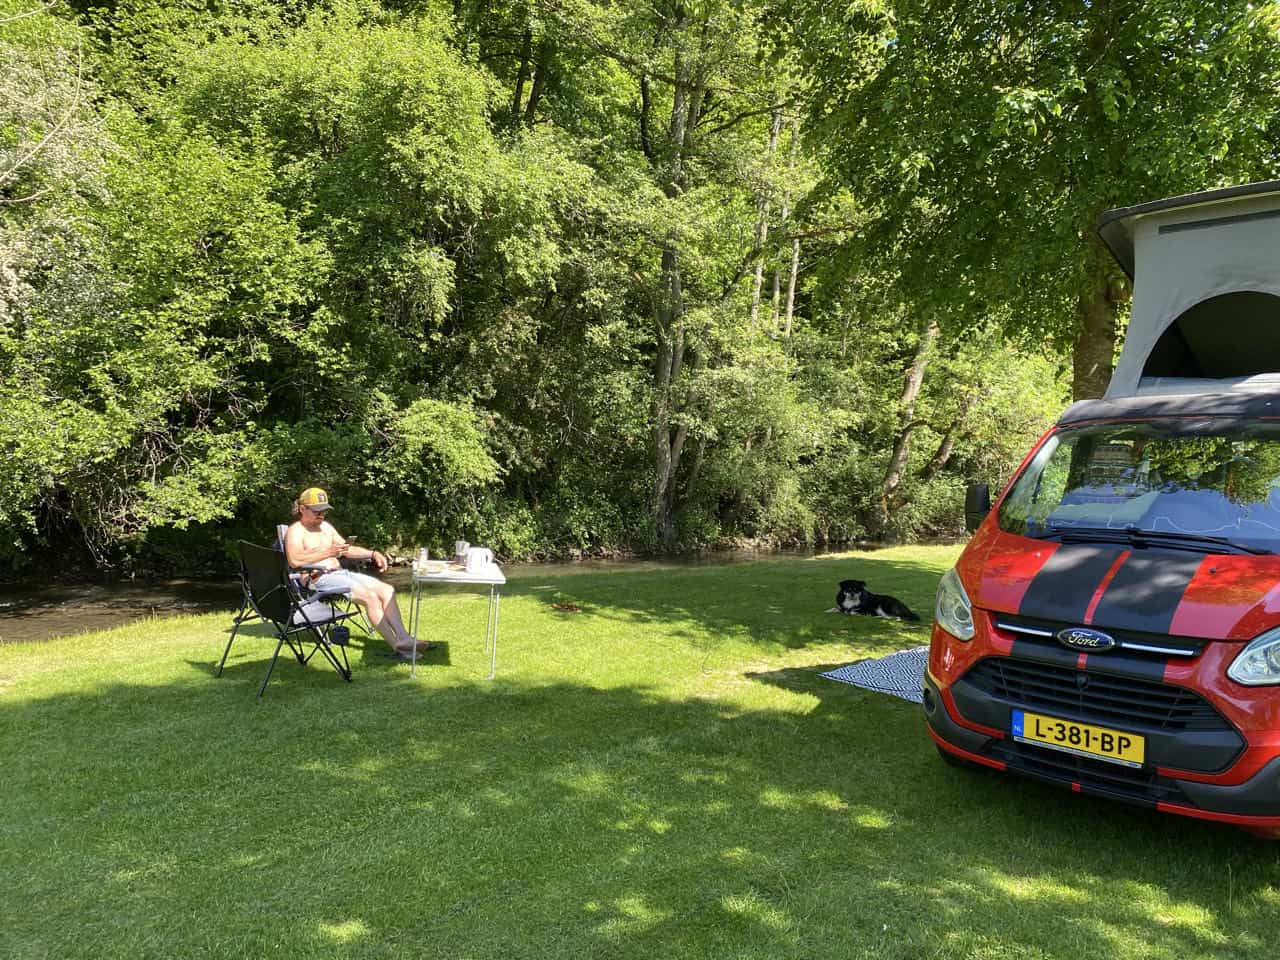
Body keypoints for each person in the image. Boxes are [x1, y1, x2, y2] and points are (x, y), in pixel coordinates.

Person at [283, 487, 432, 658]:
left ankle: (404, 637)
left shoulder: (326, 527)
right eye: (317, 511)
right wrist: (328, 552)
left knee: (387, 590)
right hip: (318, 577)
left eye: (324, 511)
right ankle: (396, 645)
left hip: (340, 574)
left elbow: (346, 550)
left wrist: (372, 554)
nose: (321, 515)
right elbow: (294, 560)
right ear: (302, 509)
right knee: (370, 597)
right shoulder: (296, 531)